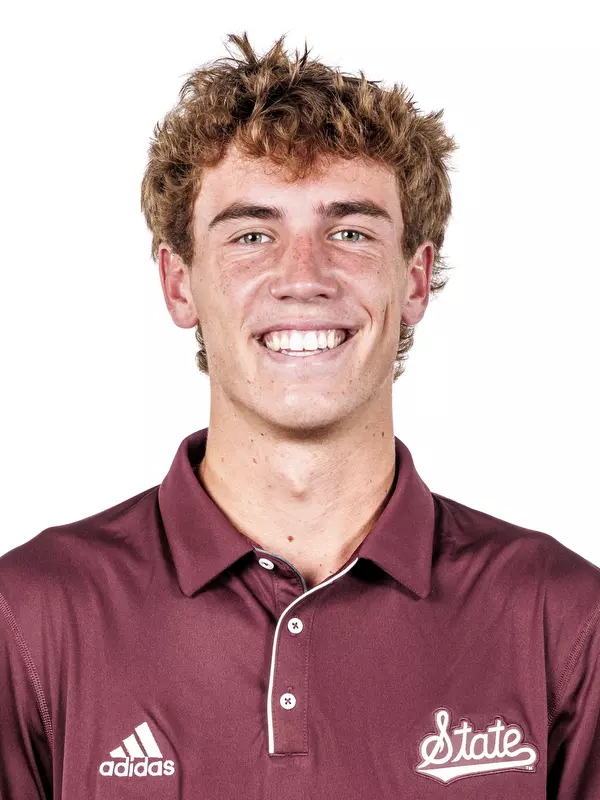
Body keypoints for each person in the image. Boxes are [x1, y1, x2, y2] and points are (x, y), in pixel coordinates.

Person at [1, 31, 598, 800]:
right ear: (179, 284)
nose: (304, 276)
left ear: (415, 280)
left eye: (349, 232)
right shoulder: (30, 616)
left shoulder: (562, 619)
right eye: (253, 235)